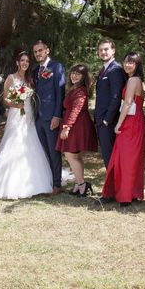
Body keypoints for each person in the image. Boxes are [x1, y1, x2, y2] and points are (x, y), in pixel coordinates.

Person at [0, 51, 53, 199]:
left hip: (28, 115)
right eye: (22, 60)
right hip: (16, 115)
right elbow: (5, 100)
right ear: (17, 62)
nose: (25, 63)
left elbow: (33, 96)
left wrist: (25, 100)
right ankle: (8, 184)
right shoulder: (11, 78)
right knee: (14, 142)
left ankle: (34, 183)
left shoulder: (30, 79)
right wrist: (17, 104)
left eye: (27, 61)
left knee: (30, 144)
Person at [101, 53, 145, 206]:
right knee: (132, 159)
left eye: (131, 63)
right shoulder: (139, 80)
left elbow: (127, 103)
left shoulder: (133, 80)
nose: (127, 65)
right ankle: (132, 193)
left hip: (130, 122)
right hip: (138, 120)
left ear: (137, 65)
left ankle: (125, 196)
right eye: (126, 62)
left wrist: (118, 124)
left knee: (125, 159)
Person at [56, 64, 98, 196]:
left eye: (78, 74)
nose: (74, 75)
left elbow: (75, 110)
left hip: (77, 125)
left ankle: (82, 185)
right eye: (73, 73)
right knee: (76, 156)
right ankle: (78, 184)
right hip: (75, 123)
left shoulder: (81, 91)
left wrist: (66, 127)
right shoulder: (74, 88)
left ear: (83, 77)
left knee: (70, 155)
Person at [32, 40, 66, 195]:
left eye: (40, 50)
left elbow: (60, 92)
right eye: (35, 52)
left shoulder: (56, 67)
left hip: (51, 117)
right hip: (38, 117)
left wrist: (57, 115)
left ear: (47, 50)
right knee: (43, 152)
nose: (38, 53)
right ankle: (48, 181)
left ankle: (57, 185)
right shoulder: (35, 70)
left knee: (53, 152)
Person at [94, 40, 127, 168]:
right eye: (101, 50)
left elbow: (116, 97)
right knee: (108, 156)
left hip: (108, 121)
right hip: (101, 119)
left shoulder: (116, 70)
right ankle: (112, 185)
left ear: (113, 50)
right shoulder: (104, 70)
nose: (103, 52)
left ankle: (115, 186)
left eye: (106, 49)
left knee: (111, 156)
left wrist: (107, 120)